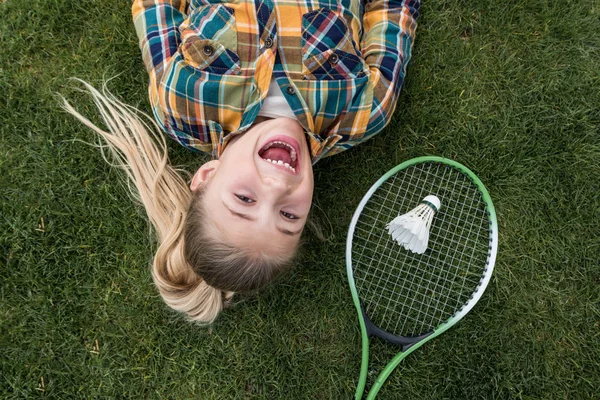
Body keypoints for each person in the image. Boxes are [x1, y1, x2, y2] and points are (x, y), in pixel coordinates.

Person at [64, 0, 420, 324]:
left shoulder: (180, 107)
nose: (278, 188)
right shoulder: (362, 113)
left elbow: (156, 13)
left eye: (245, 200)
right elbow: (392, 16)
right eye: (289, 217)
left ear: (206, 175)